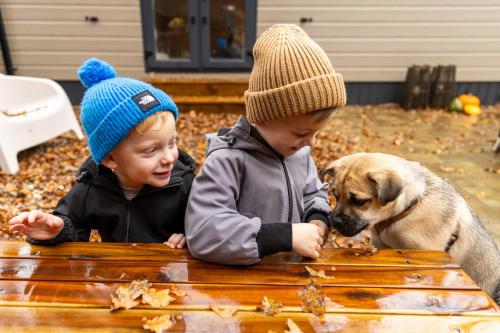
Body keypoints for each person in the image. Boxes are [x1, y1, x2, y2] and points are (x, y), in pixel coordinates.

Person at [185, 24, 346, 264]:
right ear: (263, 117)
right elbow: (204, 230)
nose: (310, 143)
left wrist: (317, 219)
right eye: (301, 132)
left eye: (316, 133)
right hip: (242, 289)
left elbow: (313, 194)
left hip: (290, 280)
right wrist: (282, 236)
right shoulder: (228, 160)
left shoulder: (298, 153)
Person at [8, 58, 196, 247]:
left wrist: (193, 237)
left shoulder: (185, 184)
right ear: (110, 158)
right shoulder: (93, 187)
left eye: (172, 143)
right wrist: (56, 231)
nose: (169, 158)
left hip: (171, 272)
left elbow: (210, 220)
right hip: (118, 274)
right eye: (151, 150)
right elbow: (72, 225)